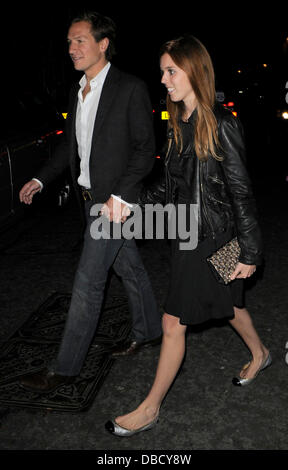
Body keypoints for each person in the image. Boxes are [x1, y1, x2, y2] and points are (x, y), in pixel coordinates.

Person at [105, 34, 271, 437]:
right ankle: (261, 353)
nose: (163, 79)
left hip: (210, 238)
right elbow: (169, 187)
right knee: (229, 302)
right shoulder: (179, 123)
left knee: (173, 322)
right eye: (163, 70)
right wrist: (132, 205)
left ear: (194, 71)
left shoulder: (222, 124)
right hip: (187, 235)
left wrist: (250, 251)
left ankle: (149, 408)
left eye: (170, 70)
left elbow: (241, 192)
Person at [18, 11, 162, 393]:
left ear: (103, 44)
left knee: (87, 281)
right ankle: (149, 330)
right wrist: (39, 178)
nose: (71, 48)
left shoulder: (129, 88)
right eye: (68, 41)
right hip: (89, 201)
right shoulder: (77, 89)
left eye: (80, 40)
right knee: (128, 268)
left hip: (113, 205)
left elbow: (146, 150)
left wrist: (119, 196)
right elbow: (71, 144)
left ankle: (64, 369)